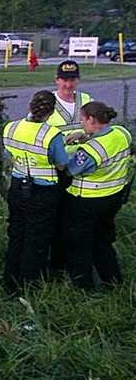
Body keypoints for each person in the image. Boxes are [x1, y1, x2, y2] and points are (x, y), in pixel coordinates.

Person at [2, 91, 69, 293]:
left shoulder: (11, 127)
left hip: (17, 186)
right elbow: (61, 164)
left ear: (29, 106)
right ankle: (30, 283)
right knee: (37, 238)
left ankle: (10, 280)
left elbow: (9, 153)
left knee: (16, 233)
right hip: (43, 192)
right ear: (51, 112)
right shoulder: (51, 134)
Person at [62, 101, 133, 289]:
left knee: (79, 244)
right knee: (103, 241)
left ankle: (82, 286)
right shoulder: (122, 133)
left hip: (87, 201)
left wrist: (67, 148)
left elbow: (70, 169)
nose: (81, 124)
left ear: (91, 119)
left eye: (82, 120)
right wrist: (86, 135)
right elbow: (108, 143)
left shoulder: (91, 150)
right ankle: (113, 280)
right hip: (114, 197)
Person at [47, 60, 93, 276]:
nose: (68, 84)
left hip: (83, 167)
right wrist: (66, 139)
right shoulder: (48, 103)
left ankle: (74, 258)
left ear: (78, 80)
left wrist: (87, 135)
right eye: (64, 79)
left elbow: (96, 127)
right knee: (58, 215)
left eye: (72, 79)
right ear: (57, 80)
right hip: (59, 168)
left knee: (77, 216)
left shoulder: (85, 100)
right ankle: (57, 261)